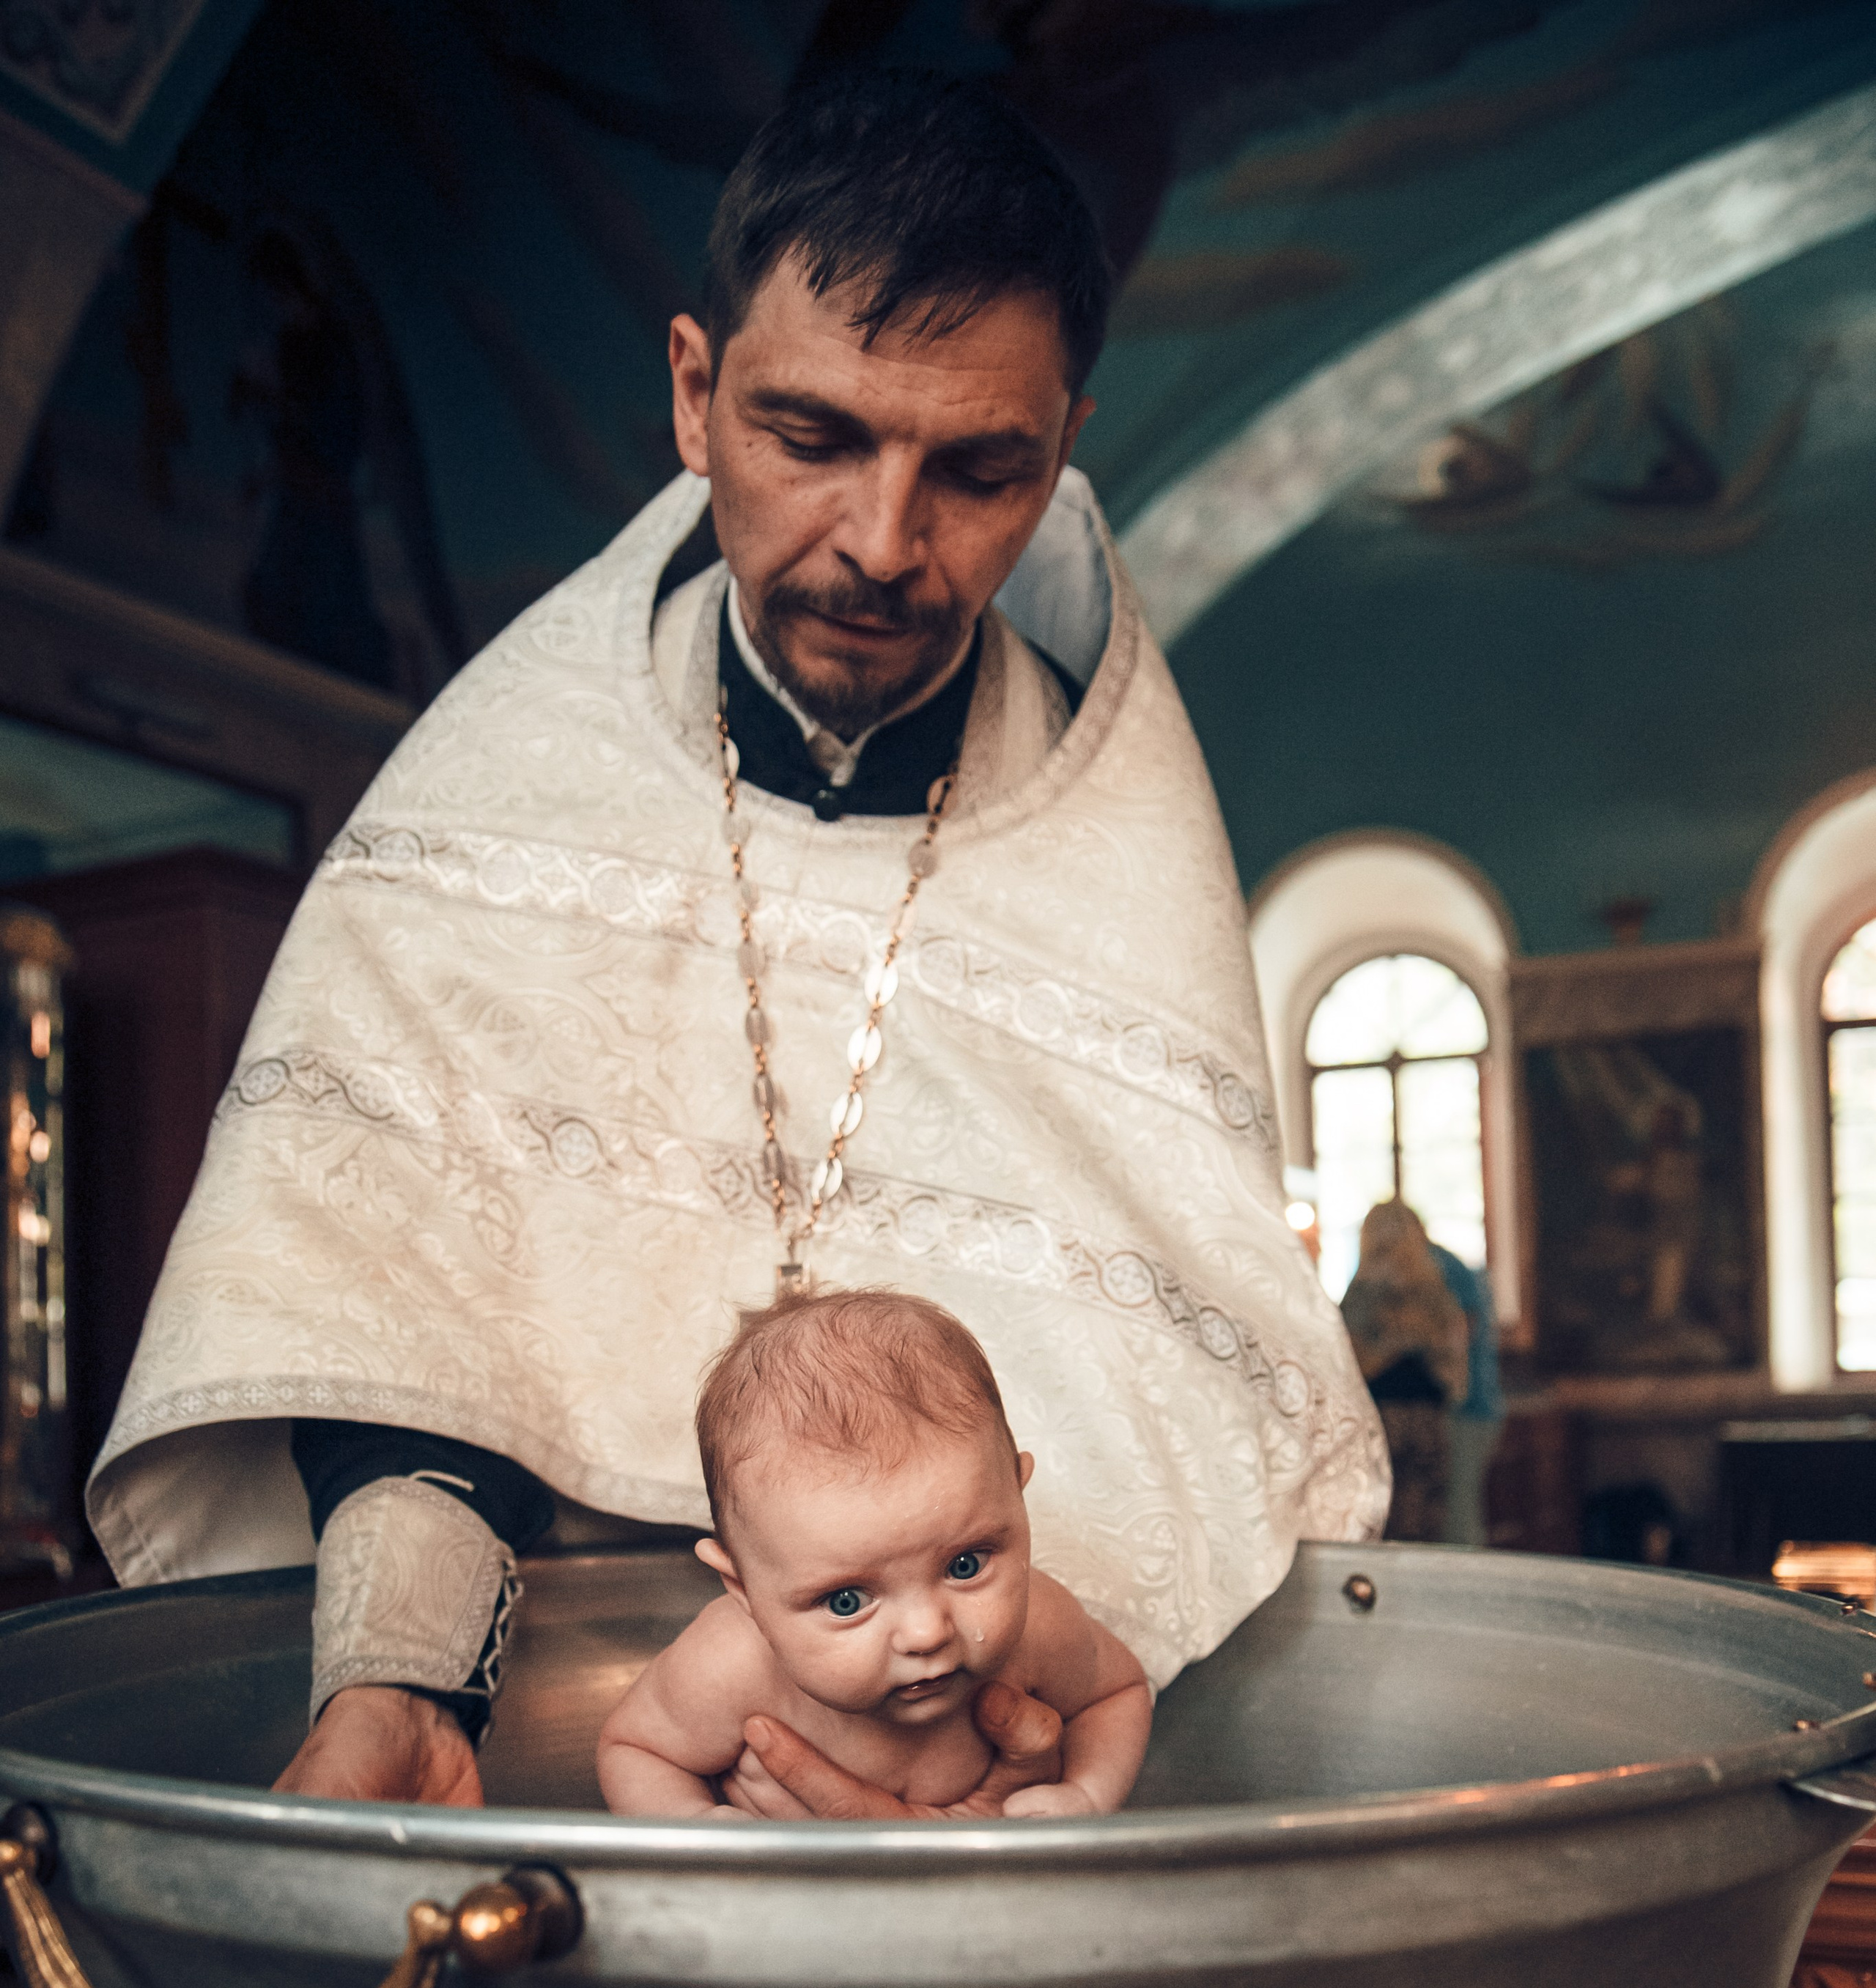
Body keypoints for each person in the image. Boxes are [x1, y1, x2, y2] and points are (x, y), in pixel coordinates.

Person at [86, 68, 1386, 1824]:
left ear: (1058, 451)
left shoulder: (1121, 867)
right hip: (572, 1756)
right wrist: (393, 1671)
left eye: (977, 471)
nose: (880, 542)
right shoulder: (490, 804)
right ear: (695, 393)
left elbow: (1168, 1409)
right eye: (814, 435)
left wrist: (983, 1727)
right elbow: (384, 1298)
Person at [599, 1291, 1151, 1819]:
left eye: (966, 1565)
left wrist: (1089, 1793)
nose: (925, 1634)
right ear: (742, 1589)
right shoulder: (726, 1669)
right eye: (846, 1601)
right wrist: (697, 1825)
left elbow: (1118, 1693)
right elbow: (636, 1750)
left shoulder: (1041, 1629)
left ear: (1018, 1494)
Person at [1340, 1201, 1468, 1544]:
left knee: (1385, 1520)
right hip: (1428, 1418)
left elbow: (1349, 1365)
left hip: (1382, 1418)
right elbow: (1455, 1365)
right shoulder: (1435, 1292)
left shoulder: (1362, 1294)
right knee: (1426, 1523)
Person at [1428, 1239, 1503, 1548]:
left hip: (1467, 1409)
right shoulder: (1448, 1264)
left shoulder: (1440, 1266)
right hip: (1474, 1407)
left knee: (1459, 1518)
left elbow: (1461, 1330)